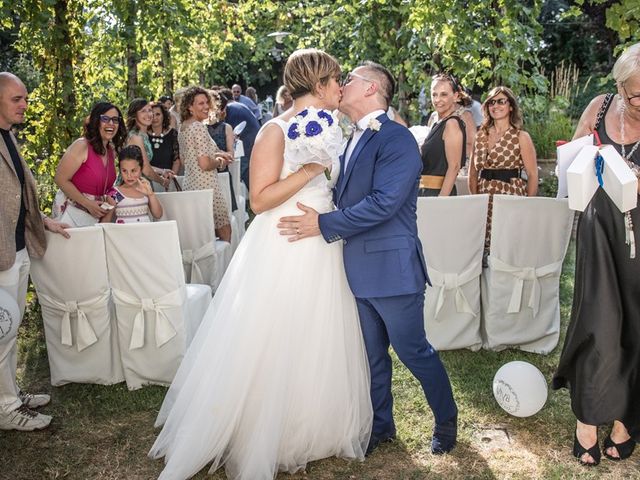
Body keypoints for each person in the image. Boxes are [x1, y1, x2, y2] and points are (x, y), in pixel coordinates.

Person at [149, 48, 372, 480]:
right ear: (319, 84)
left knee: (318, 330)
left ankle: (313, 424)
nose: (340, 87)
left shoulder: (333, 124)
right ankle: (266, 429)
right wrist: (310, 170)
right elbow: (259, 198)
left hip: (320, 237)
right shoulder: (275, 129)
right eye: (336, 80)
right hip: (284, 240)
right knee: (275, 332)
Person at [278, 61, 458, 456]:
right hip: (353, 267)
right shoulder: (348, 136)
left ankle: (446, 420)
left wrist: (323, 224)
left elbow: (384, 203)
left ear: (372, 89)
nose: (341, 85)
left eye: (350, 80)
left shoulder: (396, 139)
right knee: (370, 356)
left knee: (413, 351)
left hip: (392, 267)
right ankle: (381, 425)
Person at [553, 43, 640, 466]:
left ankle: (627, 419)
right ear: (620, 87)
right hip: (598, 231)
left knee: (637, 325)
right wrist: (589, 156)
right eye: (636, 94)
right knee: (597, 319)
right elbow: (572, 158)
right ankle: (587, 419)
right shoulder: (600, 107)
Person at [0, 72, 69, 431]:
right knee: (2, 329)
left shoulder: (9, 137)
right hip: (1, 254)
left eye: (25, 98)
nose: (24, 104)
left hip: (19, 246)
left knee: (9, 330)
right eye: (17, 99)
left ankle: (10, 395)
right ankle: (6, 410)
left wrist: (44, 221)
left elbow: (15, 200)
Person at [468, 86, 538, 252]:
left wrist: (526, 205)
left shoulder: (521, 136)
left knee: (509, 248)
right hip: (484, 199)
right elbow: (472, 172)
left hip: (511, 199)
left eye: (501, 101)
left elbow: (533, 174)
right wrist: (477, 201)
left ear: (511, 106)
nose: (495, 105)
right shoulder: (480, 135)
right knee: (484, 251)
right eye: (491, 102)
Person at [53, 102, 126, 226]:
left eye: (115, 120)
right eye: (105, 119)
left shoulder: (111, 150)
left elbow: (109, 188)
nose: (111, 124)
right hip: (73, 215)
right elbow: (60, 179)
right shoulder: (81, 145)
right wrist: (88, 204)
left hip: (98, 217)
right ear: (96, 121)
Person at [178, 86, 232, 242]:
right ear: (189, 107)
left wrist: (218, 153)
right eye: (200, 104)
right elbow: (204, 164)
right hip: (207, 186)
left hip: (190, 186)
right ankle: (226, 267)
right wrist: (220, 162)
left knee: (203, 237)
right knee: (225, 233)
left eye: (206, 102)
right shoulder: (198, 127)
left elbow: (185, 160)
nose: (206, 107)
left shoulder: (183, 127)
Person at [419, 74, 466, 196]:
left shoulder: (452, 124)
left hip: (439, 194)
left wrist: (441, 201)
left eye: (444, 94)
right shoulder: (436, 123)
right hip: (425, 192)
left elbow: (454, 166)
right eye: (434, 94)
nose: (437, 99)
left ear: (455, 96)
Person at [102, 145, 163, 224]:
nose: (129, 175)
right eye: (124, 171)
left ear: (141, 169)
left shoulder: (145, 189)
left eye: (133, 170)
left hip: (145, 234)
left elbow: (158, 215)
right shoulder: (115, 193)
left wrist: (151, 194)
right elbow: (105, 222)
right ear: (120, 170)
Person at [125, 98, 171, 189]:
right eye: (143, 111)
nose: (148, 114)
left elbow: (141, 164)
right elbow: (146, 170)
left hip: (142, 185)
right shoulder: (136, 137)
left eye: (149, 110)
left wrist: (163, 171)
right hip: (133, 187)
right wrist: (162, 181)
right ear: (134, 115)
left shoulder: (143, 135)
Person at [222, 88, 261, 190]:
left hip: (247, 142)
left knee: (243, 170)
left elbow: (228, 133)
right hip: (254, 139)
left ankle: (254, 197)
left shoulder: (230, 109)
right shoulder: (238, 105)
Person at [207, 89, 237, 211]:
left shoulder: (226, 127)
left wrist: (219, 155)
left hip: (221, 174)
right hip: (205, 175)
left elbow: (231, 154)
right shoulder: (199, 126)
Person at [149, 102, 181, 179]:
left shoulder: (173, 134)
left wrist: (171, 178)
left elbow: (176, 160)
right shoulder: (143, 135)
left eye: (158, 114)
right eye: (152, 115)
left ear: (164, 115)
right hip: (148, 180)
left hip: (169, 179)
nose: (155, 118)